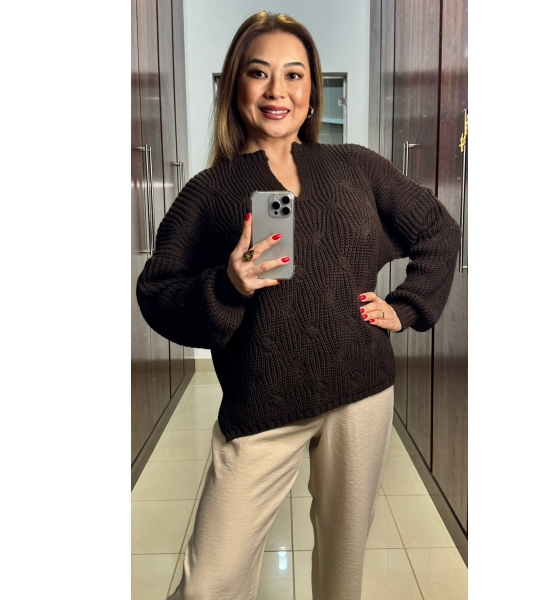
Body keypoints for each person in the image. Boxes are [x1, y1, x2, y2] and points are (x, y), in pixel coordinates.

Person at [137, 10, 460, 600]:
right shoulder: (207, 193)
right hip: (262, 402)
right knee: (208, 584)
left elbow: (437, 229)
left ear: (312, 92)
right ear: (235, 85)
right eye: (259, 73)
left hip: (360, 389)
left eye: (294, 74)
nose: (277, 91)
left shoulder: (355, 165)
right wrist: (228, 285)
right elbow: (157, 294)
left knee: (342, 565)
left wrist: (408, 305)